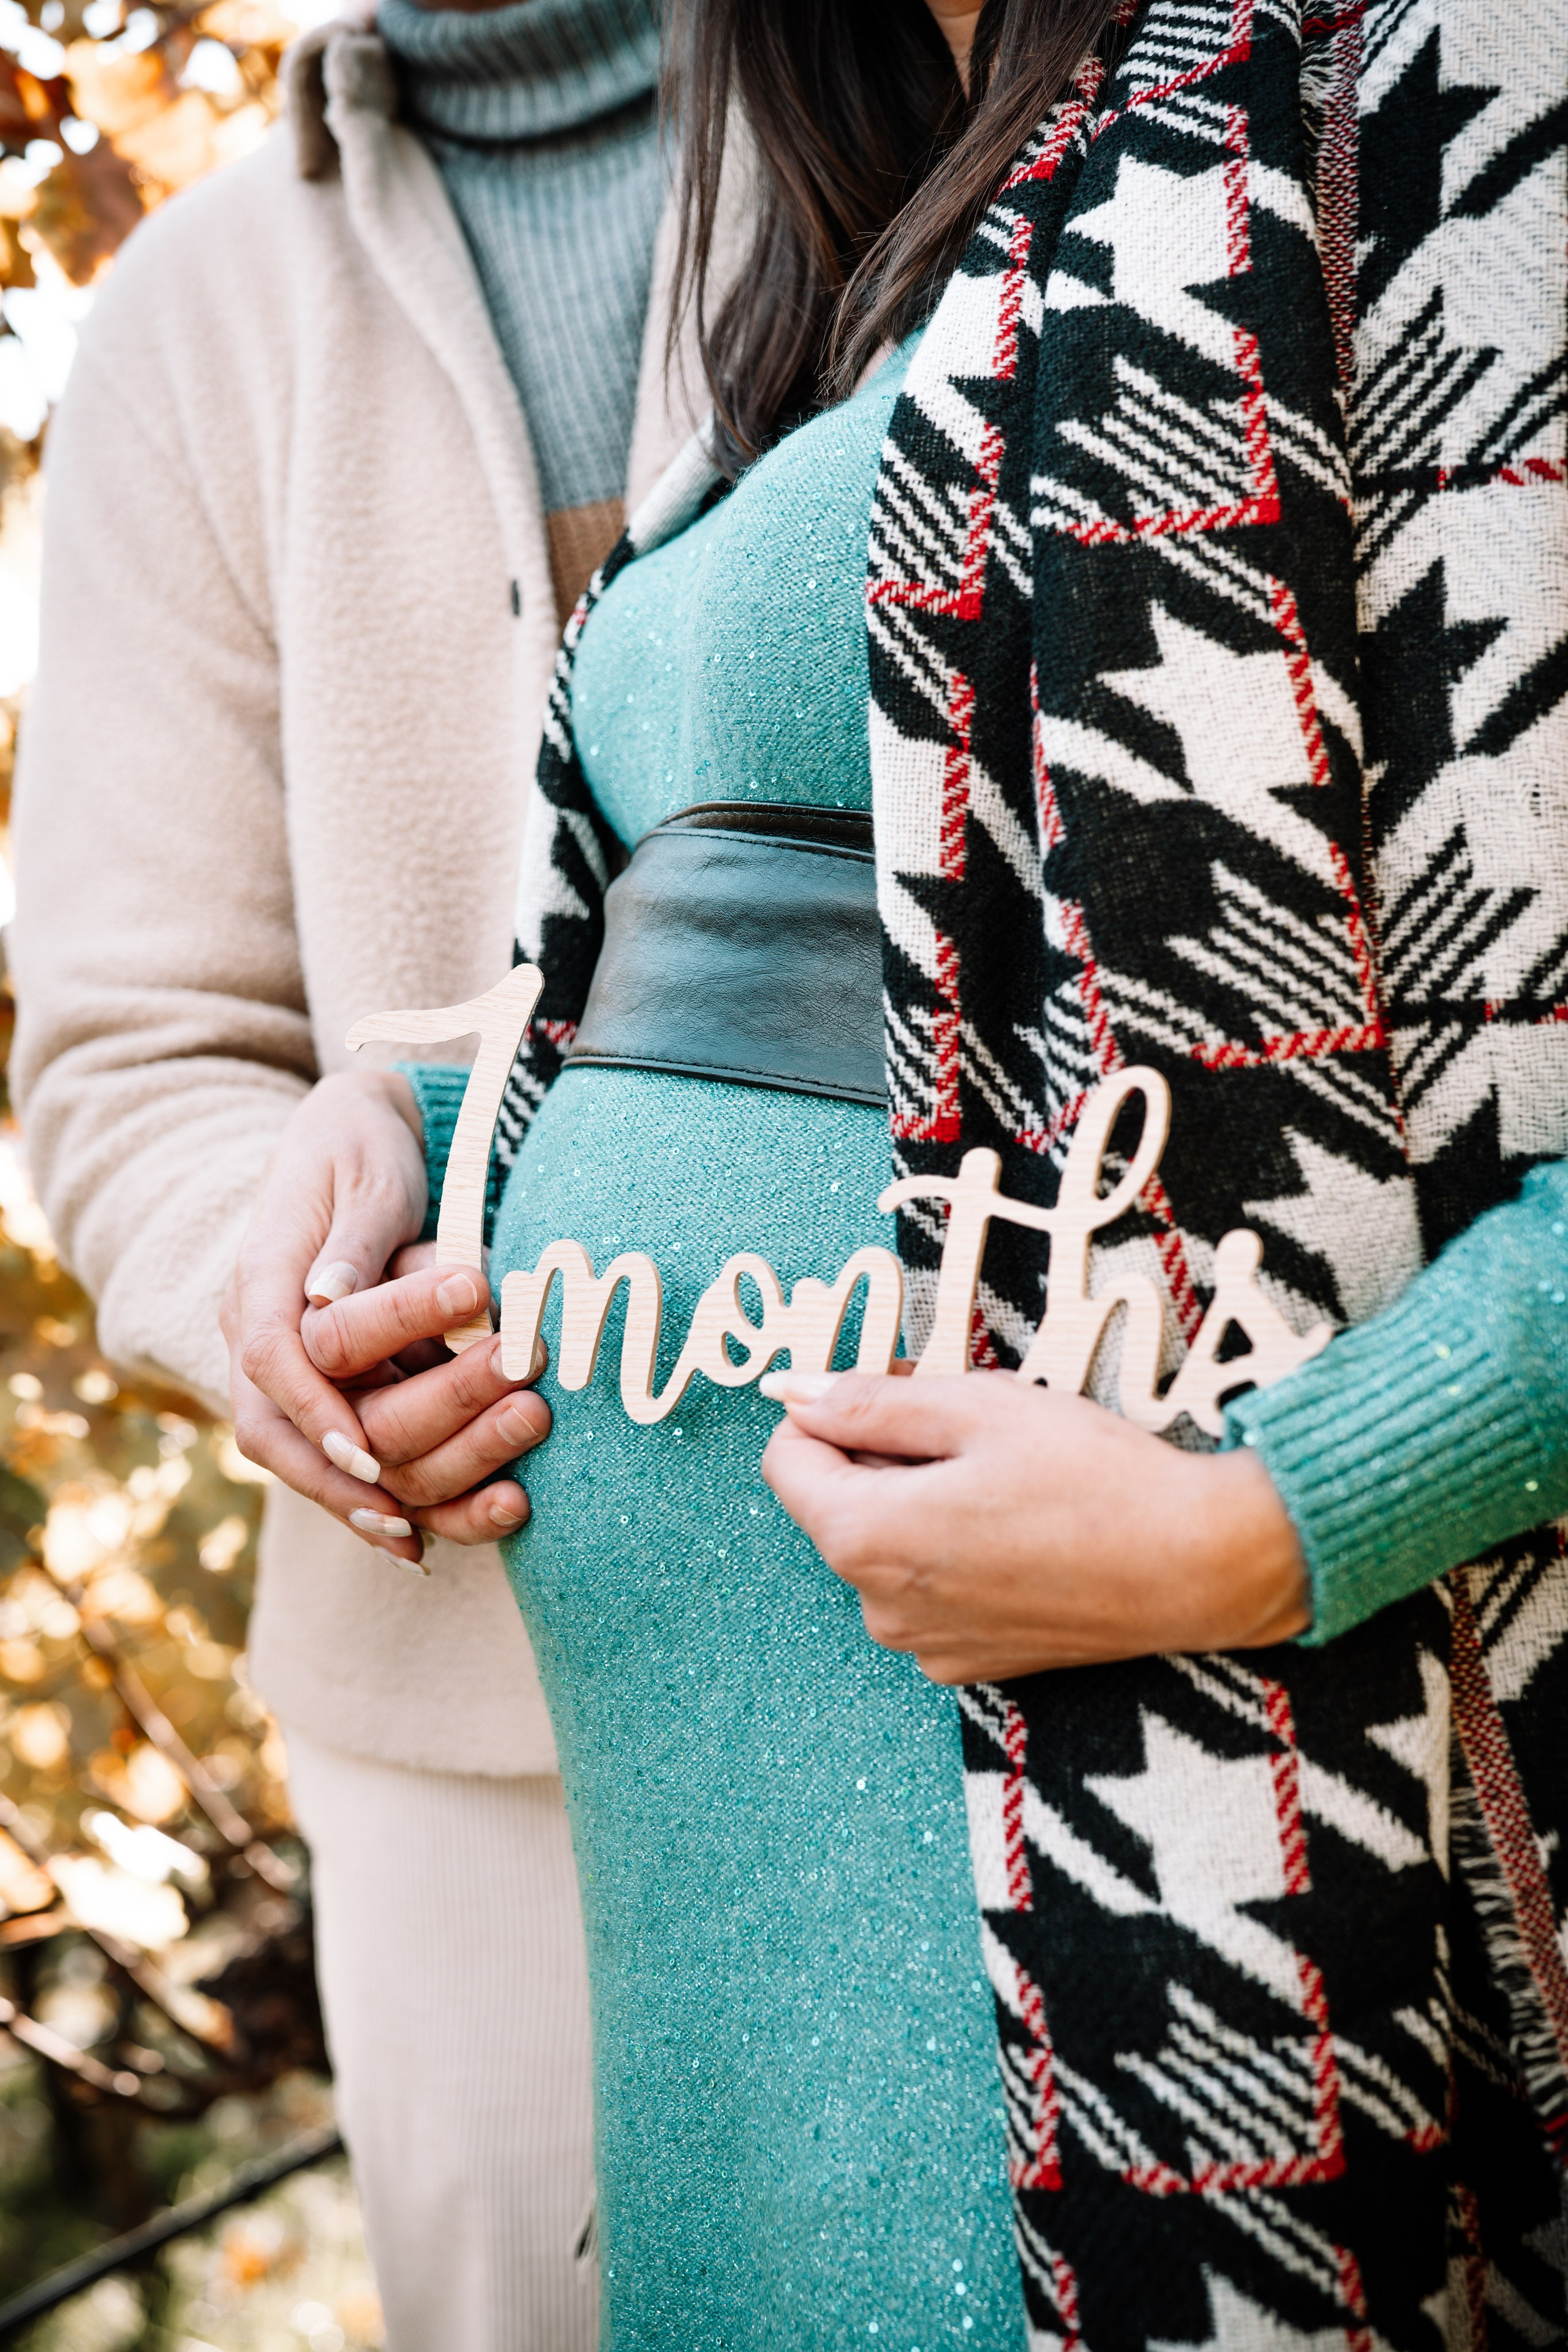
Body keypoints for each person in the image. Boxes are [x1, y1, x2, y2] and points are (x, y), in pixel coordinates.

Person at [200, 0, 1568, 2340]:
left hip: (1134, 1890)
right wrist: (423, 1141)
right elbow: (882, 981)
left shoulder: (1448, 89)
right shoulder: (863, 216)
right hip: (718, 1913)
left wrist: (1271, 1522)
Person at [8, 2, 747, 2342]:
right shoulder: (191, 318)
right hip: (463, 1681)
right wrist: (297, 1294)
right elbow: (137, 1046)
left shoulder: (997, 114)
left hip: (1043, 1564)